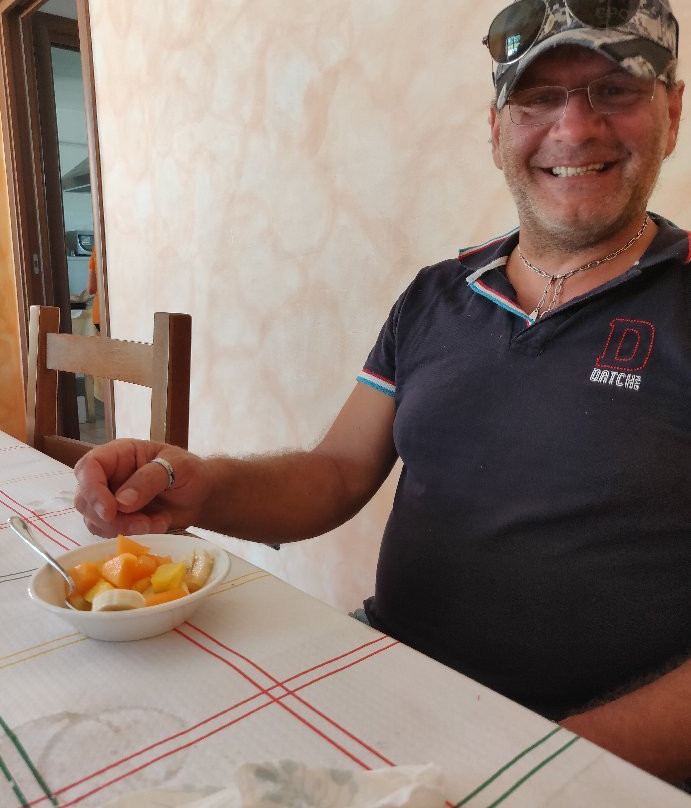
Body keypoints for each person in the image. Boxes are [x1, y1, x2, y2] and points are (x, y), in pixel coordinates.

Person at [73, 0, 690, 786]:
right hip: (384, 681)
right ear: (496, 129)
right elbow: (335, 472)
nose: (573, 128)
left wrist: (545, 770)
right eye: (537, 97)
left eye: (614, 90)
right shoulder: (436, 294)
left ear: (670, 113)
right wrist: (204, 485)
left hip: (590, 763)